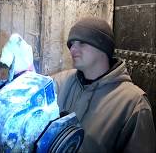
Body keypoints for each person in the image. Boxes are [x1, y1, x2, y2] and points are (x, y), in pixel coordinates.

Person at [51, 17, 156, 152]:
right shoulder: (63, 80)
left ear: (102, 47)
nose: (72, 49)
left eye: (82, 43)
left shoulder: (134, 103)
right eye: (71, 44)